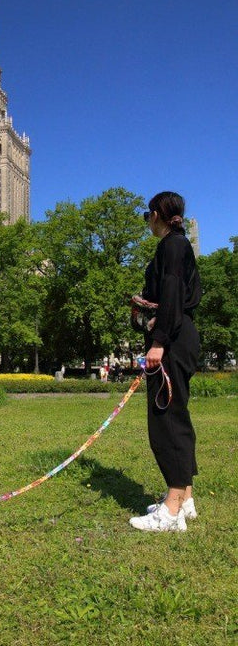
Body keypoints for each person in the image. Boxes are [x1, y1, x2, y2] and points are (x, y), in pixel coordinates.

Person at [129, 191, 202, 532]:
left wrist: (158, 343)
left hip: (171, 339)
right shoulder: (179, 244)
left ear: (157, 214)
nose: (148, 223)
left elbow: (171, 293)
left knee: (166, 420)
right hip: (181, 335)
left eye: (148, 216)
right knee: (178, 416)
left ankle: (171, 512)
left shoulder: (171, 245)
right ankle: (184, 498)